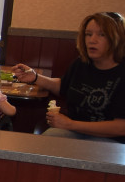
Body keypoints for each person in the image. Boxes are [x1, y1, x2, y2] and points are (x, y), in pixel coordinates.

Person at [12, 12, 125, 143]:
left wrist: (70, 124)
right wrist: (36, 77)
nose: (92, 40)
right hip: (75, 132)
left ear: (118, 39)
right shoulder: (81, 63)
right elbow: (64, 86)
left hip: (111, 142)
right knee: (42, 143)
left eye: (102, 34)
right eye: (88, 34)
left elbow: (121, 127)